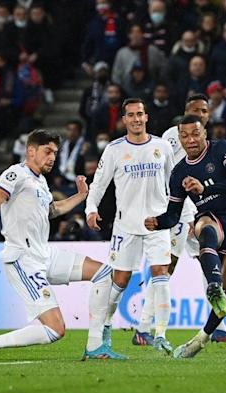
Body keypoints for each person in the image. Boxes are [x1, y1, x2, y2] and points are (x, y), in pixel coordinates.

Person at [0, 130, 126, 361]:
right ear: (31, 151)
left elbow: (52, 210)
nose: (52, 157)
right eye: (48, 151)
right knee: (55, 330)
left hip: (45, 253)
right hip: (23, 260)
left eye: (55, 153)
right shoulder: (15, 174)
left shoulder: (40, 181)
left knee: (104, 273)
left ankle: (95, 346)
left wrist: (80, 196)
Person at [144, 115, 226, 358]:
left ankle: (203, 336)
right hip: (211, 217)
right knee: (203, 226)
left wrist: (205, 188)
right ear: (179, 139)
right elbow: (173, 215)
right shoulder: (179, 173)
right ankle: (213, 286)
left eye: (195, 134)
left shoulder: (223, 149)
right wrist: (157, 222)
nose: (190, 140)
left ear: (205, 133)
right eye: (184, 136)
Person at [86, 98, 175, 354]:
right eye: (131, 115)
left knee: (161, 272)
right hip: (126, 226)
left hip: (157, 223)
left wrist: (179, 215)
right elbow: (99, 184)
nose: (136, 119)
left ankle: (160, 334)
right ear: (124, 120)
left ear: (146, 117)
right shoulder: (114, 149)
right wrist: (91, 209)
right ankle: (106, 324)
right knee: (121, 280)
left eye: (140, 114)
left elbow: (174, 183)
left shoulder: (162, 146)